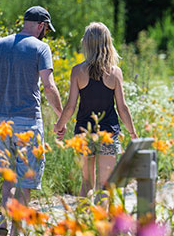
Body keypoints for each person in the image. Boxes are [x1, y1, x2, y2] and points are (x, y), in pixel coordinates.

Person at [0, 6, 66, 236]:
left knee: (9, 177)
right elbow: (49, 86)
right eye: (46, 28)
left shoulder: (1, 44)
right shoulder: (41, 48)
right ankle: (17, 230)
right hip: (28, 122)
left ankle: (5, 224)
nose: (46, 33)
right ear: (41, 25)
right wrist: (61, 117)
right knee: (27, 179)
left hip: (2, 123)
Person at [54, 22, 138, 198]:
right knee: (105, 186)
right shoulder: (115, 72)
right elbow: (122, 107)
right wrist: (132, 132)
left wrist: (59, 126)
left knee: (86, 184)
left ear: (87, 44)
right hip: (108, 134)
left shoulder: (77, 71)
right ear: (107, 43)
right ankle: (103, 223)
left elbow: (70, 106)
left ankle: (84, 223)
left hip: (84, 134)